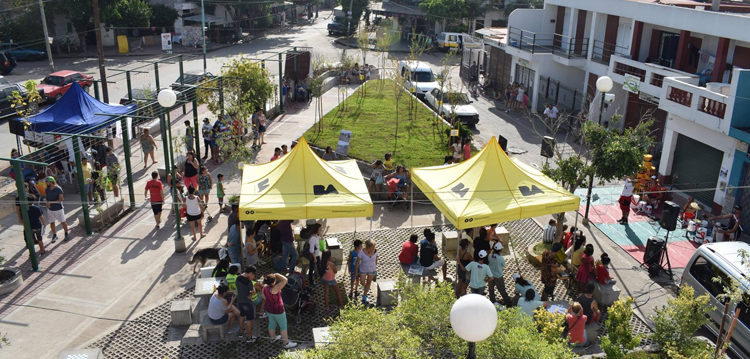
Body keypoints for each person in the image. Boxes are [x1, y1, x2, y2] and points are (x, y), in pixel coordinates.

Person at [262, 273, 298, 349]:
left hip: (269, 309)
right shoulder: (274, 289)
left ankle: (273, 338)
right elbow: (285, 280)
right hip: (278, 311)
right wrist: (277, 274)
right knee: (283, 327)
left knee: (272, 324)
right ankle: (286, 343)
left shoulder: (265, 287)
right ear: (272, 282)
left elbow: (264, 297)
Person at [235, 266, 259, 342]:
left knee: (241, 316)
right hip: (247, 303)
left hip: (239, 301)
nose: (253, 277)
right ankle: (249, 337)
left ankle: (240, 333)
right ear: (251, 273)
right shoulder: (249, 282)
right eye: (253, 275)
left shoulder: (238, 277)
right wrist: (252, 293)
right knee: (249, 320)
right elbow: (251, 293)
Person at [45, 177, 68, 242]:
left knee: (63, 222)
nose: (46, 183)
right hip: (50, 209)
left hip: (58, 209)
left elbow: (61, 199)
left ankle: (66, 233)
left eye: (47, 181)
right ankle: (54, 235)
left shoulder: (58, 189)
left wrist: (51, 202)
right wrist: (47, 203)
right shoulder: (47, 189)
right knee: (52, 222)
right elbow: (47, 198)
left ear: (51, 182)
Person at [355, 239, 377, 304]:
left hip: (372, 269)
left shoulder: (375, 251)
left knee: (369, 281)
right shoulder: (361, 252)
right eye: (372, 247)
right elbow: (357, 262)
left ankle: (365, 295)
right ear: (368, 247)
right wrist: (356, 271)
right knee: (362, 282)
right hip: (363, 269)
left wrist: (375, 268)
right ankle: (364, 287)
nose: (374, 248)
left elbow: (376, 259)